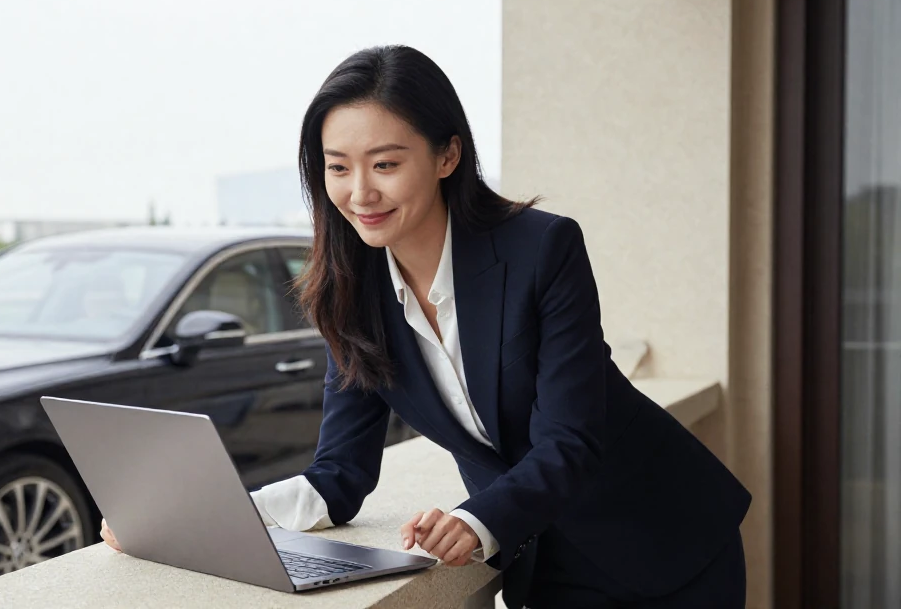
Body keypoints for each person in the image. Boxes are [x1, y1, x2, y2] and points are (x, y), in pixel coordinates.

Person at [103, 45, 751, 609]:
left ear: (447, 156)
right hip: (551, 565)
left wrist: (473, 520)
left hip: (667, 541)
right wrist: (204, 518)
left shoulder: (542, 249)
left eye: (385, 164)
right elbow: (340, 477)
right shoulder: (350, 294)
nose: (360, 192)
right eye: (338, 166)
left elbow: (570, 441)